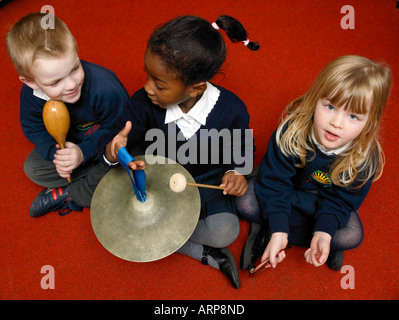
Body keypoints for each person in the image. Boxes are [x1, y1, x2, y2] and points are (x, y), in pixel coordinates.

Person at [98, 15, 259, 289]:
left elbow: (243, 149)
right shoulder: (142, 102)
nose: (148, 87)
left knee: (225, 232)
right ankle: (203, 253)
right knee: (111, 213)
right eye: (147, 74)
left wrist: (236, 172)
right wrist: (113, 150)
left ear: (196, 88)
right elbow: (117, 140)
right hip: (157, 180)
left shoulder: (232, 110)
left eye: (160, 84)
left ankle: (178, 237)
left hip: (206, 182)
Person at [236, 55, 392, 272]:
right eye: (330, 106)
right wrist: (279, 229)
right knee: (244, 199)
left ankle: (304, 234)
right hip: (285, 190)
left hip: (318, 202)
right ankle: (279, 230)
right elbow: (274, 183)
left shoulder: (364, 159)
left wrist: (324, 232)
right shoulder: (291, 133)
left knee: (351, 235)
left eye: (353, 116)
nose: (336, 123)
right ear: (315, 98)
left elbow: (340, 203)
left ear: (370, 122)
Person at [6, 13, 130, 217]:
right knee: (33, 168)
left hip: (108, 145)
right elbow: (33, 126)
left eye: (75, 68)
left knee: (129, 156)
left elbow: (120, 131)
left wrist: (83, 152)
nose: (71, 84)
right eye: (55, 82)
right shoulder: (31, 93)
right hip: (71, 146)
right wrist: (58, 154)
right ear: (32, 82)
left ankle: (76, 190)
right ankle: (97, 182)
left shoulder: (105, 87)